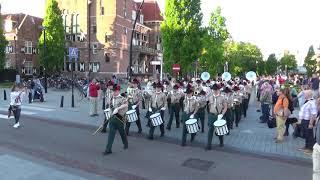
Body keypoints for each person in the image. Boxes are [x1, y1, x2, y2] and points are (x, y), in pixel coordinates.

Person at [103, 85, 128, 155]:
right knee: (111, 134)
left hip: (119, 118)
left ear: (118, 91)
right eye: (113, 91)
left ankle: (125, 143)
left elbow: (126, 105)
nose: (114, 92)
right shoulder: (111, 97)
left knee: (122, 133)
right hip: (112, 118)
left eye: (115, 91)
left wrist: (118, 108)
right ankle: (108, 149)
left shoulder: (122, 98)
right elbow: (109, 103)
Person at [206, 84, 227, 150]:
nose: (215, 91)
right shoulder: (210, 97)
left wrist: (222, 114)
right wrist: (210, 113)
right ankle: (209, 145)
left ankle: (221, 142)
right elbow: (209, 105)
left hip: (219, 116)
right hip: (212, 115)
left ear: (219, 90)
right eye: (214, 89)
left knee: (219, 131)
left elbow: (225, 107)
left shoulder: (222, 97)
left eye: (216, 90)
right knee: (210, 130)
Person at [298, 90, 317, 155]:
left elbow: (313, 114)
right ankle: (306, 146)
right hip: (304, 120)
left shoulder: (312, 102)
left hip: (308, 121)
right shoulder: (307, 101)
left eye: (305, 94)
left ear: (308, 95)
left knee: (309, 135)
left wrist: (311, 123)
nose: (304, 95)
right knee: (306, 134)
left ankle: (310, 149)